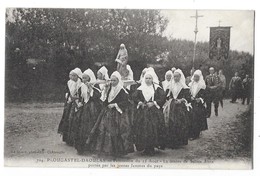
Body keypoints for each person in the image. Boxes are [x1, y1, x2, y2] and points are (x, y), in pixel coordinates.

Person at [94, 71, 133, 158]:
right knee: (103, 130)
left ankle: (117, 151)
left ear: (118, 80)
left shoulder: (122, 90)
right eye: (111, 80)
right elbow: (105, 100)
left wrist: (115, 105)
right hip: (107, 112)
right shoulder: (109, 89)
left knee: (117, 131)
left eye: (114, 80)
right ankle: (106, 150)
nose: (112, 82)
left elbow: (126, 102)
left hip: (117, 114)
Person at [132, 69, 166, 155]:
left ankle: (151, 148)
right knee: (142, 129)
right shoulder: (140, 88)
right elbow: (134, 97)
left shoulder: (157, 88)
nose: (148, 80)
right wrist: (139, 102)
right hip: (143, 111)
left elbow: (162, 98)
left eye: (149, 78)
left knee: (152, 129)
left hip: (153, 112)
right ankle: (145, 147)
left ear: (153, 79)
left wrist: (154, 103)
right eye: (146, 78)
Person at [74, 69, 102, 155]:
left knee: (91, 126)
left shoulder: (95, 85)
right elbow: (80, 96)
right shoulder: (82, 86)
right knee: (82, 127)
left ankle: (92, 147)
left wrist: (90, 88)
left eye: (85, 78)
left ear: (90, 78)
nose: (84, 80)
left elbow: (97, 97)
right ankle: (82, 147)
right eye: (82, 78)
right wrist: (79, 103)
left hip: (93, 108)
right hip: (84, 108)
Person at [164, 69, 191, 149]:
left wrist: (181, 100)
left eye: (177, 76)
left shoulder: (184, 87)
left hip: (180, 107)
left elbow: (188, 98)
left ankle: (179, 141)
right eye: (174, 76)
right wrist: (170, 100)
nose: (175, 78)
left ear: (180, 77)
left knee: (179, 123)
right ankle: (171, 142)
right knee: (171, 122)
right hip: (172, 106)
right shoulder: (170, 86)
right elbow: (166, 96)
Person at [188, 70, 208, 140]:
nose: (196, 78)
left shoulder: (202, 85)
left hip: (198, 104)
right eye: (195, 76)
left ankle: (195, 134)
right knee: (190, 117)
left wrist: (200, 99)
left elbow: (205, 96)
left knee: (196, 118)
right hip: (191, 103)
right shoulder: (190, 84)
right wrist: (190, 97)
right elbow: (188, 93)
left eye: (197, 77)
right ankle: (190, 133)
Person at [66, 68, 83, 146]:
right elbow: (70, 92)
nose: (72, 77)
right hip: (72, 103)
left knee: (76, 120)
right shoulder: (70, 83)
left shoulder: (80, 84)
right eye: (71, 75)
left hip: (78, 103)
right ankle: (70, 139)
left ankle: (76, 139)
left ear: (78, 76)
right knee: (70, 119)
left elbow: (81, 95)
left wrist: (75, 99)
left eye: (74, 76)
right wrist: (69, 97)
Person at [58, 70, 75, 143]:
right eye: (70, 75)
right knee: (66, 118)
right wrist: (67, 95)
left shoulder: (77, 83)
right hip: (68, 102)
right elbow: (68, 90)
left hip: (73, 102)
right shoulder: (69, 82)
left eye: (72, 75)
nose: (70, 76)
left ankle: (71, 138)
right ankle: (66, 137)